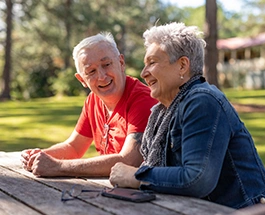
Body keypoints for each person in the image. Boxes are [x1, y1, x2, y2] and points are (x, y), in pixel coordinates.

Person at [109, 22, 265, 209]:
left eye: (152, 63)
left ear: (182, 65)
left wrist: (135, 176)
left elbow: (197, 179)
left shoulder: (202, 100)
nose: (144, 73)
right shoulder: (163, 112)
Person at [21, 32, 157, 177]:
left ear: (121, 63)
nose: (102, 76)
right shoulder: (93, 100)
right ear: (82, 80)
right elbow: (73, 147)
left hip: (151, 195)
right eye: (91, 71)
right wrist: (40, 156)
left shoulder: (143, 99)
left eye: (106, 64)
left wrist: (58, 166)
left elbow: (129, 161)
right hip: (111, 189)